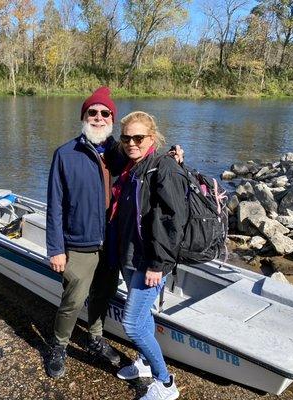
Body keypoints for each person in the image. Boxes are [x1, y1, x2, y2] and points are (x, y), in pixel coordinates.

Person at [45, 87, 125, 378]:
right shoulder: (66, 154)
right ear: (84, 116)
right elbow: (54, 204)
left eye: (105, 113)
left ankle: (94, 337)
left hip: (112, 243)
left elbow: (149, 157)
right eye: (93, 112)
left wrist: (174, 157)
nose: (99, 118)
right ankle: (58, 345)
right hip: (78, 244)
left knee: (104, 294)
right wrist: (55, 248)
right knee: (73, 300)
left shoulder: (121, 154)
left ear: (112, 120)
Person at [110, 111, 188, 400]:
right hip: (130, 256)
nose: (132, 143)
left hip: (150, 262)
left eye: (139, 138)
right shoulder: (134, 167)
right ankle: (144, 362)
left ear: (151, 138)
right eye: (127, 137)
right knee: (142, 317)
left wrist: (158, 264)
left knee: (131, 323)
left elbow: (173, 220)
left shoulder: (162, 167)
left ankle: (165, 383)